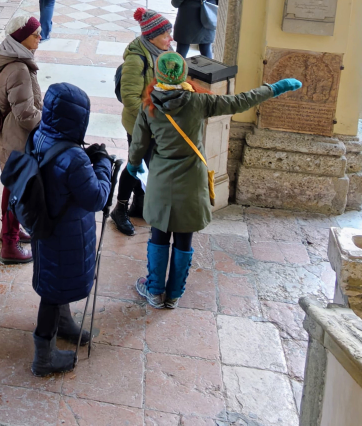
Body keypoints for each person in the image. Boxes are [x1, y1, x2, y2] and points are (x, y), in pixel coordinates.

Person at [128, 51, 301, 309]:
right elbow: (240, 101)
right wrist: (274, 88)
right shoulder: (198, 102)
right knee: (184, 237)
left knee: (159, 233)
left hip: (162, 180)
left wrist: (132, 166)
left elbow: (139, 145)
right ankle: (174, 295)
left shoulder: (148, 107)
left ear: (158, 75)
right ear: (183, 74)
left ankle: (154, 291)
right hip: (192, 180)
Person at [30, 83, 112, 376]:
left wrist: (85, 158)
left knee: (54, 281)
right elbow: (97, 197)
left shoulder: (40, 135)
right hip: (66, 232)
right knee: (53, 291)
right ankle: (43, 358)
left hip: (46, 226)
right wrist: (102, 164)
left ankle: (63, 323)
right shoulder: (75, 158)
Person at [0, 15, 43, 265]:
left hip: (11, 137)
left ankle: (9, 232)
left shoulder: (14, 60)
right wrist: (48, 119)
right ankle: (9, 245)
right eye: (35, 34)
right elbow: (26, 115)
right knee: (16, 190)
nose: (40, 37)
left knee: (12, 187)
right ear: (21, 38)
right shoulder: (18, 68)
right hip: (17, 138)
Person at [110, 7, 173, 236]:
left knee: (150, 165)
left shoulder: (165, 53)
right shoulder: (137, 59)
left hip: (158, 125)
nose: (170, 38)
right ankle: (120, 209)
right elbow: (130, 99)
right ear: (151, 36)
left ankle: (139, 203)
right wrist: (152, 122)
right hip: (140, 124)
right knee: (136, 165)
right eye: (166, 35)